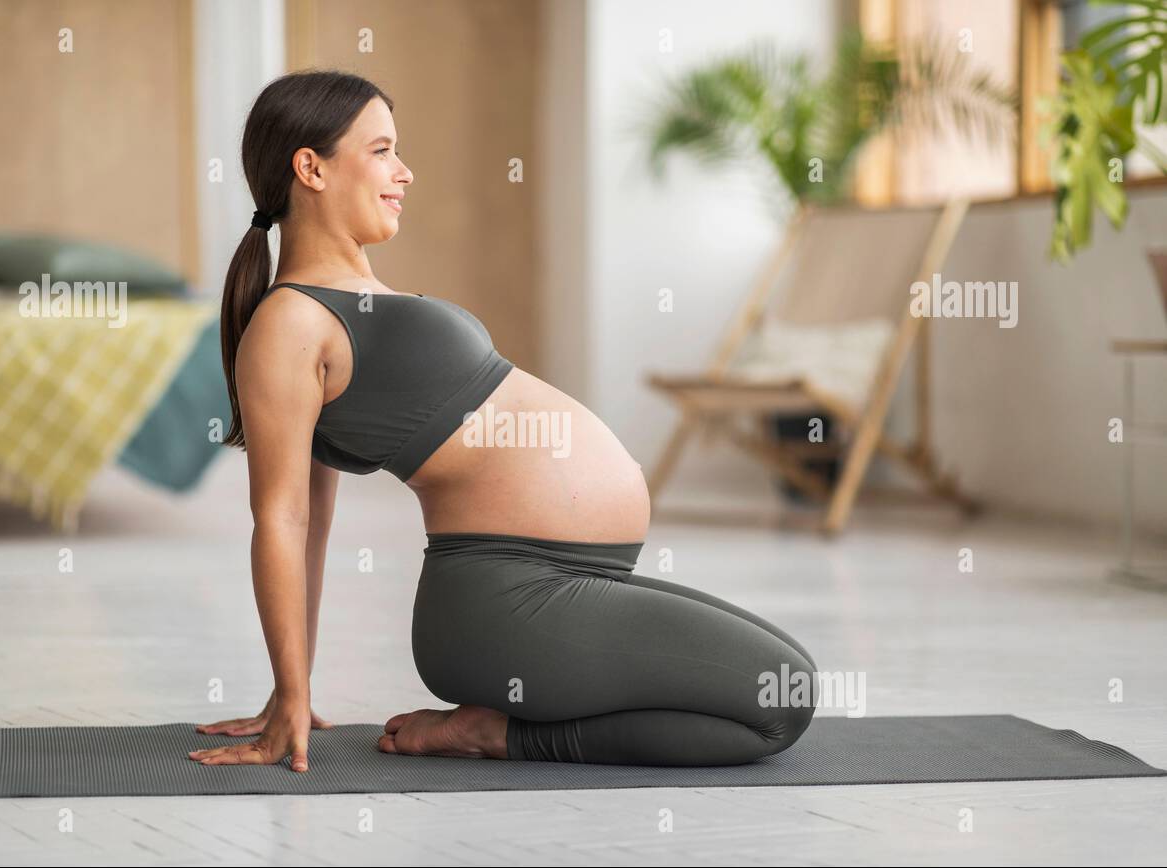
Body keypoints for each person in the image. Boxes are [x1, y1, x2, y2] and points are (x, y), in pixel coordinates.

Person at [190, 69, 818, 773]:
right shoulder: (289, 324)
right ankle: (500, 734)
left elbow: (315, 524)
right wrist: (290, 693)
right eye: (382, 150)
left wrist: (293, 694)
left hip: (559, 583)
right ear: (311, 167)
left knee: (786, 671)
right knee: (780, 703)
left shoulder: (356, 293)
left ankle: (514, 714)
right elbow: (288, 520)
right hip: (504, 604)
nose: (405, 172)